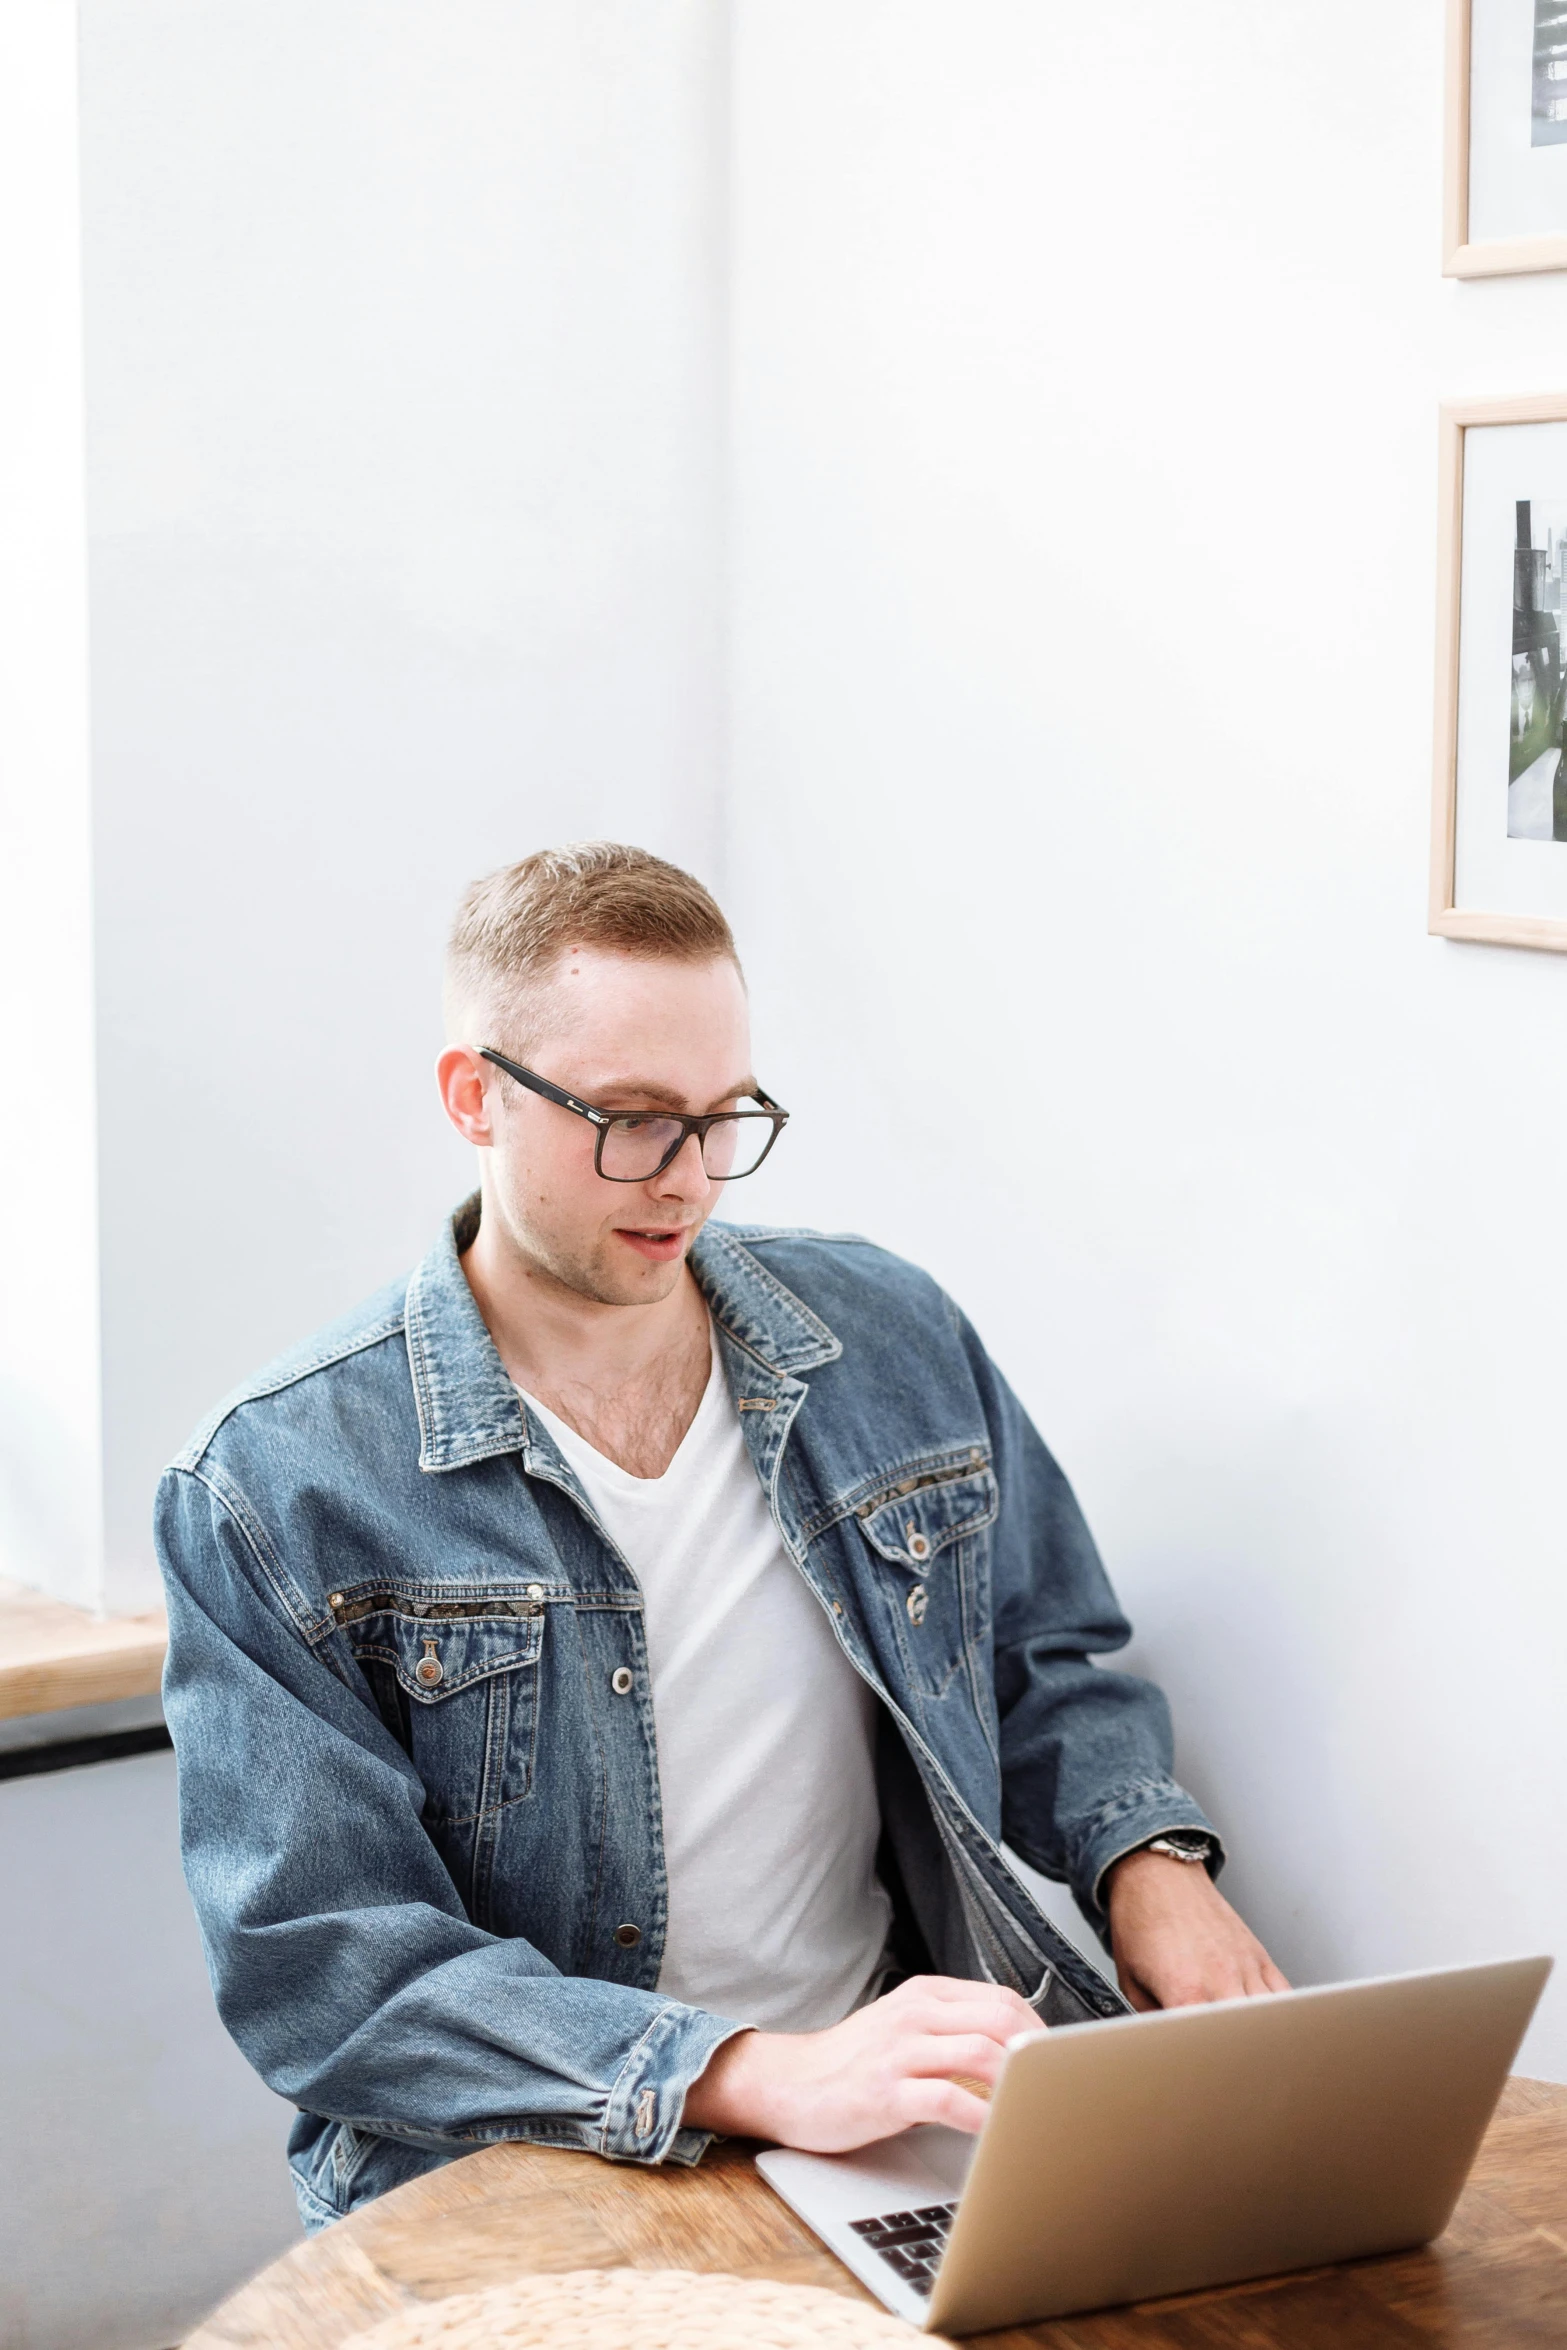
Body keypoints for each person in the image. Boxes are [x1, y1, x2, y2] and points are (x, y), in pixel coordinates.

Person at [157, 842, 1285, 2231]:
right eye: (630, 1119)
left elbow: (1039, 1651)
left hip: (897, 2121)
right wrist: (750, 2072)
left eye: (723, 1116)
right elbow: (329, 1972)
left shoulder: (890, 1336)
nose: (688, 1179)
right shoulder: (275, 1481)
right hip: (525, 2176)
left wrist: (1144, 1860)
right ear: (475, 1098)